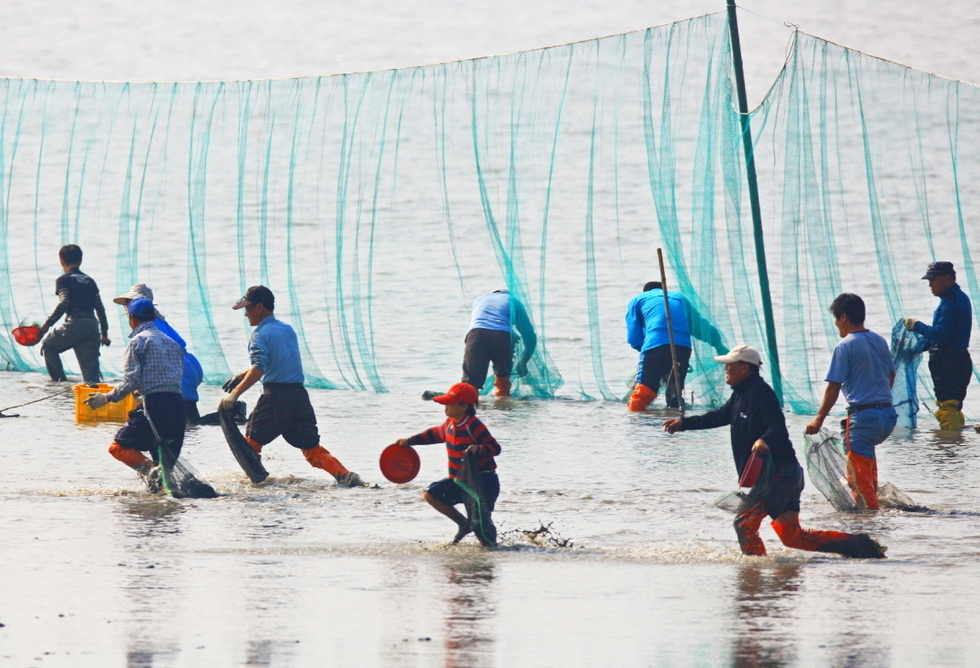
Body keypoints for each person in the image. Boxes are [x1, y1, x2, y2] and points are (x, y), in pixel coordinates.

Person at [663, 345, 886, 558]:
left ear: (745, 367)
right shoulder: (740, 394)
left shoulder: (761, 392)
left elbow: (777, 426)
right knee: (792, 537)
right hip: (784, 476)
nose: (725, 369)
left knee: (744, 523)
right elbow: (719, 416)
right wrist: (683, 424)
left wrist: (764, 440)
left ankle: (754, 570)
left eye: (730, 364)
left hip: (778, 474)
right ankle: (863, 547)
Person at [219, 285, 364, 486]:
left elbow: (259, 368)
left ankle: (254, 486)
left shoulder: (259, 335)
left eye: (248, 308)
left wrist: (234, 394)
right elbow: (276, 361)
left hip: (276, 397)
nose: (245, 315)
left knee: (250, 445)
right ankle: (345, 476)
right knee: (312, 449)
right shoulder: (286, 329)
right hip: (299, 396)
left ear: (259, 307)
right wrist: (242, 375)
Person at [805, 294, 897, 510]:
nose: (836, 324)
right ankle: (873, 509)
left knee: (857, 478)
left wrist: (819, 419)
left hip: (864, 419)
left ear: (844, 317)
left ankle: (867, 523)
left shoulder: (845, 346)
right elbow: (890, 375)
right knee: (866, 467)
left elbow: (833, 387)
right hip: (887, 416)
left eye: (836, 319)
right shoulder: (879, 340)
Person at [83, 298, 185, 490]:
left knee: (118, 448)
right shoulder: (172, 343)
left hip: (154, 407)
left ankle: (153, 474)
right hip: (178, 407)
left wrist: (106, 398)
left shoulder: (138, 341)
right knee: (165, 473)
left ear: (132, 318)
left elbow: (132, 380)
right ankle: (162, 500)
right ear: (154, 316)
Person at [395, 382, 501, 546]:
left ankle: (490, 555)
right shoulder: (449, 424)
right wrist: (409, 441)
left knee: (481, 526)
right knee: (431, 494)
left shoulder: (473, 425)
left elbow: (495, 448)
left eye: (448, 403)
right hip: (458, 482)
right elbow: (432, 435)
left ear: (463, 406)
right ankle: (463, 523)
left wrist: (478, 448)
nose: (444, 406)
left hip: (483, 483)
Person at [113, 284, 214, 425]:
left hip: (181, 367)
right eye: (128, 304)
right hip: (188, 364)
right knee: (186, 418)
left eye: (132, 303)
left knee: (191, 421)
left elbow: (159, 359)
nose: (129, 307)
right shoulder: (156, 321)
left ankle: (228, 413)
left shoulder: (149, 327)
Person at [625, 281, 726, 411]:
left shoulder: (638, 299)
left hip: (655, 345)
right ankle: (676, 420)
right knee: (674, 393)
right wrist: (717, 344)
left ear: (646, 291)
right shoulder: (679, 297)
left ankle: (636, 422)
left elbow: (633, 336)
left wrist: (644, 350)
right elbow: (699, 325)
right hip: (682, 347)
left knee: (643, 392)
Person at [903, 261, 974, 430]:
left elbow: (940, 334)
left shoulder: (952, 302)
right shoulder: (952, 299)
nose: (930, 284)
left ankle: (948, 447)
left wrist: (916, 325)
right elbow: (941, 336)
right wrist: (916, 349)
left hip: (950, 361)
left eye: (933, 280)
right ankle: (957, 442)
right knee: (953, 406)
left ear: (948, 278)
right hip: (956, 359)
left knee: (947, 406)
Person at [38, 244, 111, 383]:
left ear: (61, 262)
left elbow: (64, 302)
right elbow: (100, 309)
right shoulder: (90, 281)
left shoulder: (63, 280)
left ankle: (61, 386)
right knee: (92, 379)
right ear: (80, 260)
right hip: (92, 327)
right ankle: (95, 401)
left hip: (74, 324)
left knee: (48, 346)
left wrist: (48, 324)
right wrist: (105, 334)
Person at [462, 289, 537, 397]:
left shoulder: (480, 299)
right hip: (502, 337)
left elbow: (487, 322)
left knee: (471, 382)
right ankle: (502, 409)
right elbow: (530, 337)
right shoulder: (515, 301)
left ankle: (469, 409)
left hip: (476, 335)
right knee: (502, 381)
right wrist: (523, 362)